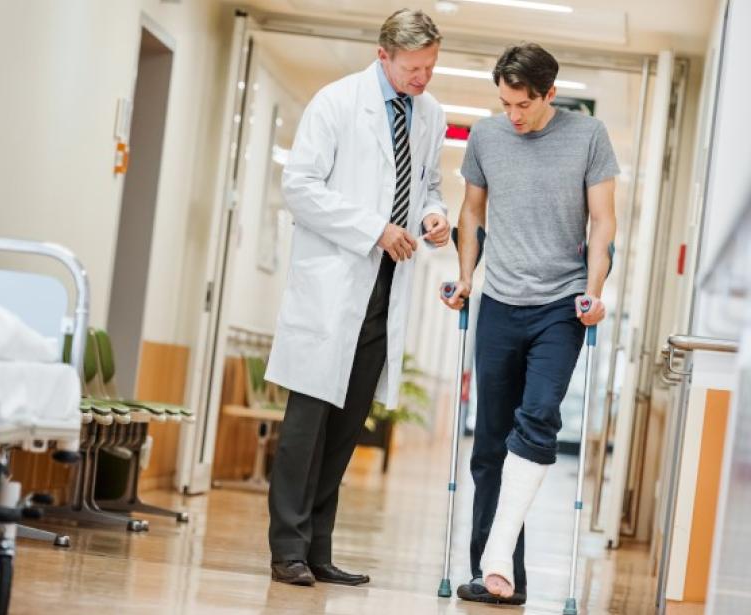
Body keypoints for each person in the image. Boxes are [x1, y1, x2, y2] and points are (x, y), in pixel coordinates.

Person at [265, 8, 451, 587]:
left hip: (384, 288)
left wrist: (434, 215)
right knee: (306, 428)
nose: (423, 78)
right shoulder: (336, 102)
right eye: (414, 67)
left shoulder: (431, 114)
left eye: (430, 67)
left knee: (347, 428)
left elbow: (428, 185)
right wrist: (374, 229)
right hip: (333, 285)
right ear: (383, 55)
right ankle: (287, 548)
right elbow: (299, 187)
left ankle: (318, 549)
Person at [441, 43, 618, 605]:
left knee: (538, 416)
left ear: (550, 94)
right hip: (499, 302)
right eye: (505, 103)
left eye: (524, 104)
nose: (513, 115)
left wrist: (594, 291)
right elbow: (472, 211)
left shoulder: (588, 136)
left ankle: (496, 559)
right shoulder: (487, 136)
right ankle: (497, 574)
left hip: (559, 306)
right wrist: (465, 276)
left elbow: (603, 221)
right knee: (490, 444)